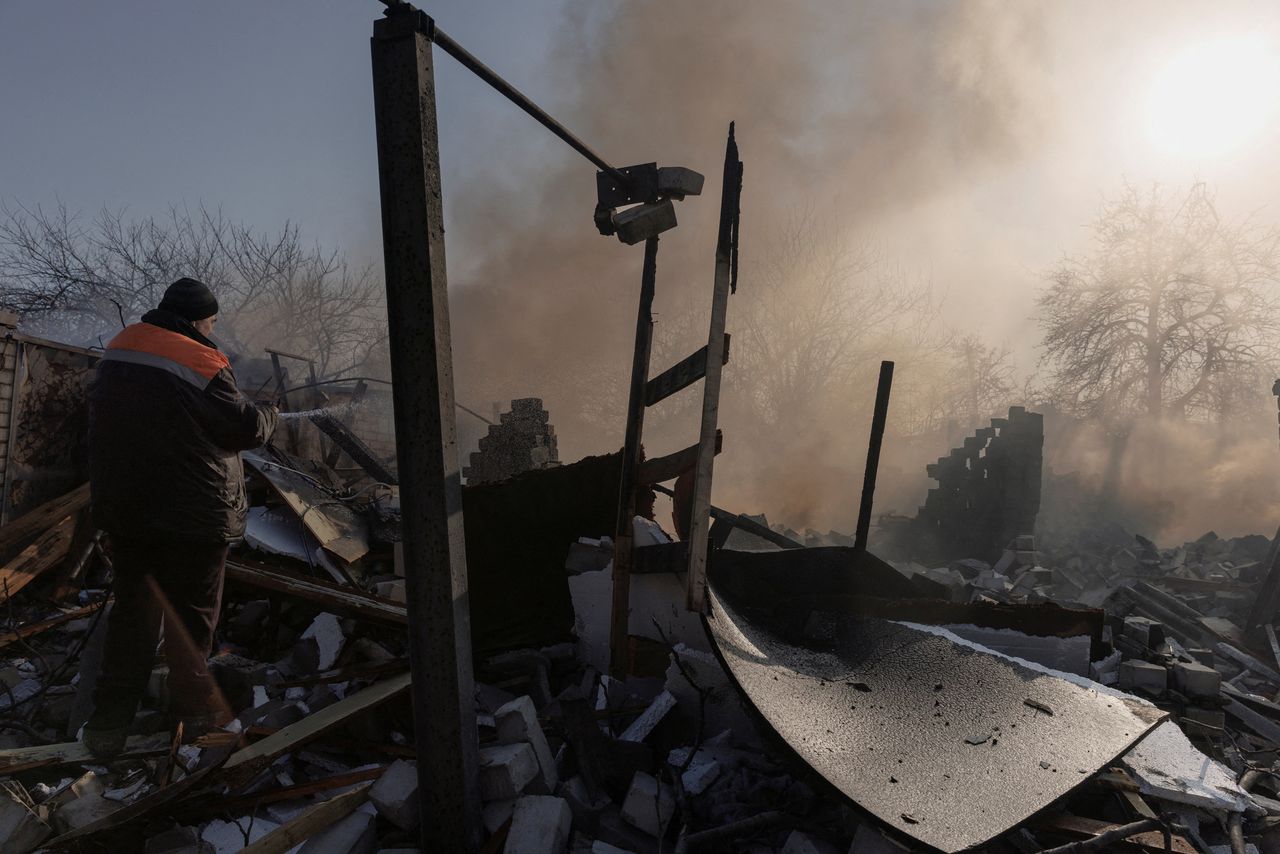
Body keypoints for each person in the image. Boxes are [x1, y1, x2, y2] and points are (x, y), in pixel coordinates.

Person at [83, 277, 278, 759]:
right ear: (197, 319)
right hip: (194, 517)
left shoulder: (120, 347)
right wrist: (269, 413)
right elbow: (244, 427)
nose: (212, 329)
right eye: (211, 321)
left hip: (129, 514)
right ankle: (196, 727)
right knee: (191, 624)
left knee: (133, 618)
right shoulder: (200, 358)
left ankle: (107, 728)